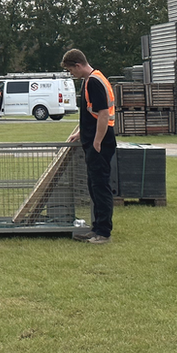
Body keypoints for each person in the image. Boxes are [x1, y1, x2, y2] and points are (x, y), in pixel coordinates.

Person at [61, 49, 116, 245]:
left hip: (100, 142)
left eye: (70, 70)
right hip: (93, 138)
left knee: (100, 186)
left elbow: (102, 114)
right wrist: (81, 132)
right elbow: (91, 114)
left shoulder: (93, 81)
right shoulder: (90, 80)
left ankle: (103, 232)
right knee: (93, 186)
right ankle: (96, 228)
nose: (71, 74)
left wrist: (97, 141)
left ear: (78, 65)